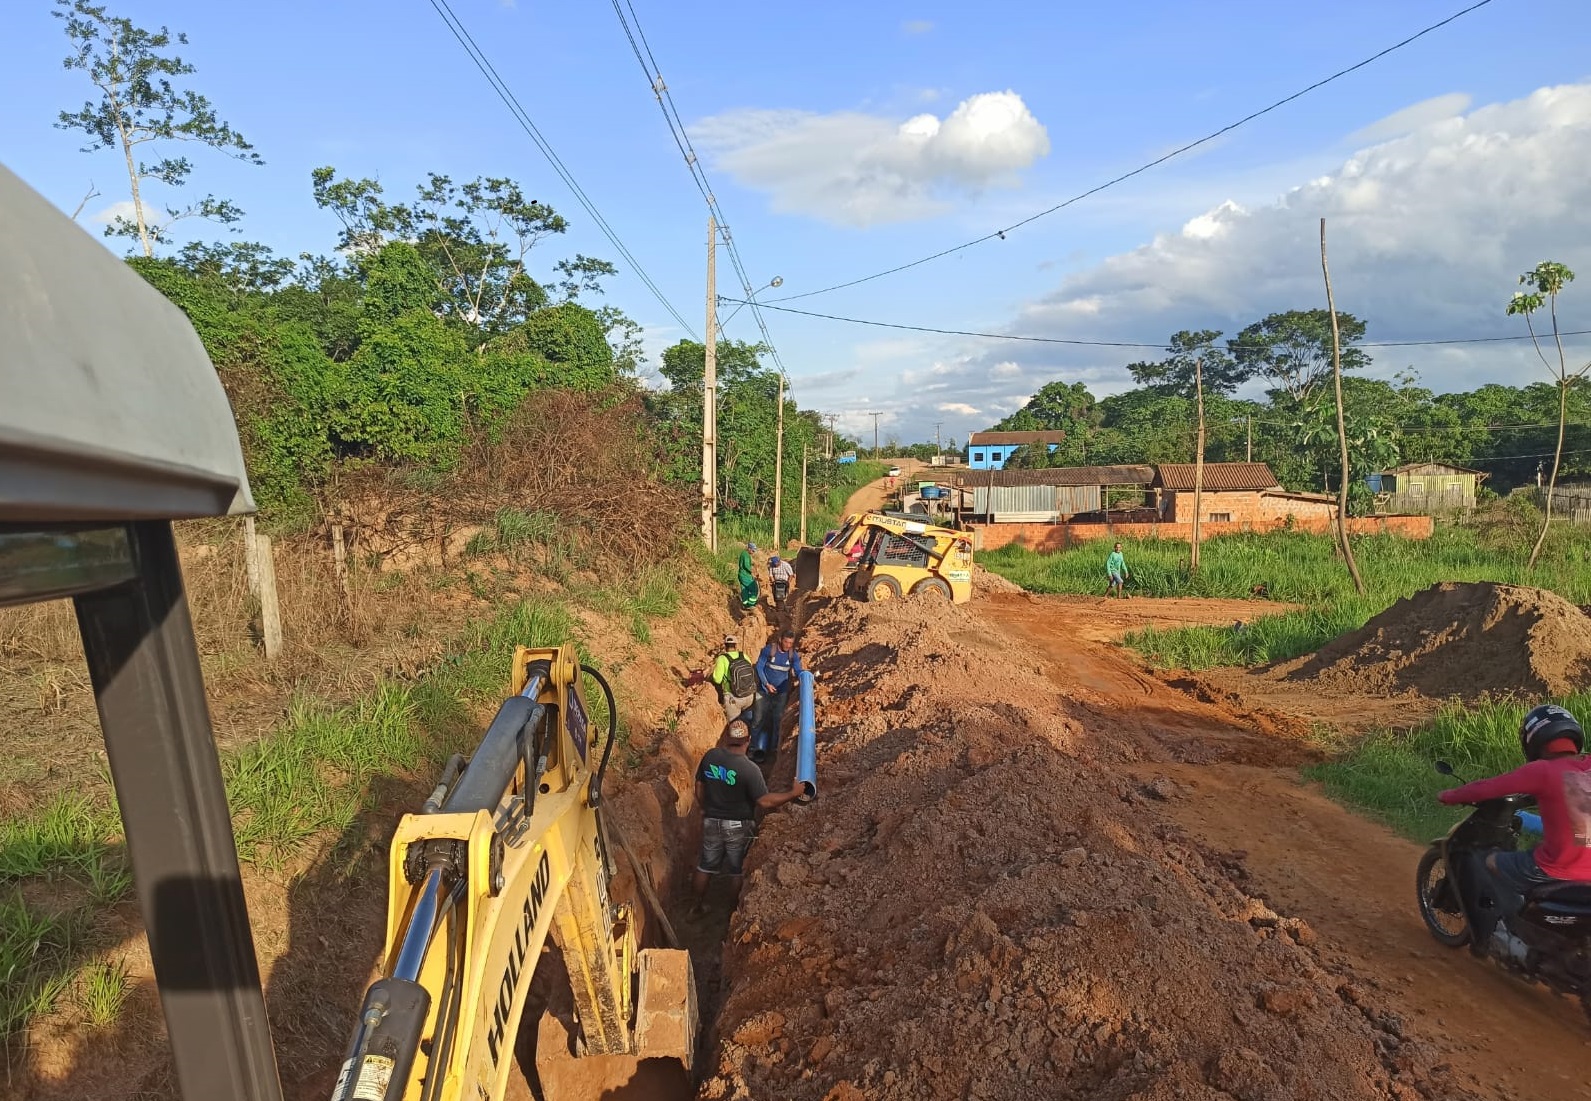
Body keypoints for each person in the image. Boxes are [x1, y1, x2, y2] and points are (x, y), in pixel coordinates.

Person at [1439, 704, 1591, 898]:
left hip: (1561, 868)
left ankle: (1501, 926)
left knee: (1491, 862)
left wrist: (1449, 796)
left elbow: (1487, 788)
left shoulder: (1542, 771)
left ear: (1533, 740)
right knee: (1539, 846)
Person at [692, 719, 804, 912]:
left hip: (712, 820)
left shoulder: (711, 756)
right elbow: (764, 801)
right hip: (738, 825)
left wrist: (704, 807)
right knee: (736, 870)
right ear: (749, 740)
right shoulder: (750, 770)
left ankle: (696, 906)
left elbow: (699, 786)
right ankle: (730, 912)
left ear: (726, 736)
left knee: (706, 866)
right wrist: (792, 794)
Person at [751, 629, 807, 758]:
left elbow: (798, 670)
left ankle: (774, 750)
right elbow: (759, 667)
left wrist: (804, 676)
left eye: (791, 643)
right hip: (764, 691)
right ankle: (753, 748)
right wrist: (766, 684)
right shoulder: (769, 650)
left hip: (781, 693)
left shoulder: (793, 655)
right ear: (781, 639)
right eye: (786, 642)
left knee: (778, 721)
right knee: (757, 720)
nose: (788, 645)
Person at [709, 634, 758, 722]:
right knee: (750, 722)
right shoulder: (743, 655)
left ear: (725, 646)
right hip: (749, 695)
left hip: (733, 698)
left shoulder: (722, 659)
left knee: (735, 726)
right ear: (735, 645)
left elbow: (717, 680)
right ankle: (751, 735)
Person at [737, 542, 759, 609]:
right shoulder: (746, 555)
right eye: (753, 550)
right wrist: (753, 572)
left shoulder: (744, 554)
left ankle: (745, 604)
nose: (753, 552)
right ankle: (750, 604)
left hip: (741, 574)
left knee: (744, 590)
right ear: (749, 549)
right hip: (745, 575)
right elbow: (746, 566)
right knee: (754, 589)